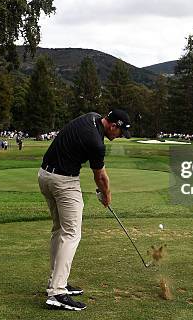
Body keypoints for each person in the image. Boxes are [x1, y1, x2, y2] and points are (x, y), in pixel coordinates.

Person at [38, 109, 131, 311]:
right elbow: (101, 177)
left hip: (44, 176)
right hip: (64, 181)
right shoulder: (97, 143)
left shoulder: (91, 116)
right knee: (71, 234)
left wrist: (102, 190)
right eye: (120, 133)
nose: (119, 137)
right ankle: (57, 292)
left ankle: (55, 282)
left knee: (59, 230)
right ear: (114, 125)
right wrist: (106, 196)